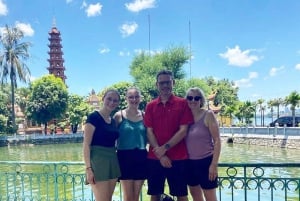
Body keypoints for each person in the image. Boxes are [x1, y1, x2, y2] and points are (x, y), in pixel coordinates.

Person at [144, 69, 194, 201]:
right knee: (154, 194)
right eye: (162, 83)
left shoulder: (183, 103)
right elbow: (149, 131)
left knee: (181, 194)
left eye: (168, 82)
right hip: (155, 158)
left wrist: (164, 149)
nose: (165, 85)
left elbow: (183, 130)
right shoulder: (150, 106)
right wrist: (160, 154)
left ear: (173, 82)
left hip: (178, 157)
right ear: (157, 85)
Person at [83, 89, 121, 201]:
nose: (112, 102)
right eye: (109, 99)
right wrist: (88, 169)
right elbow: (86, 145)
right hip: (98, 162)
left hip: (112, 160)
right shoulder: (93, 117)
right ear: (103, 99)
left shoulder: (113, 121)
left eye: (115, 100)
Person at [185, 87, 221, 201]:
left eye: (197, 98)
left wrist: (214, 164)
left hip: (206, 162)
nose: (193, 101)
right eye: (190, 98)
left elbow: (217, 140)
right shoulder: (184, 117)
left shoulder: (208, 115)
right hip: (189, 163)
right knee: (196, 197)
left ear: (201, 100)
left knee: (210, 198)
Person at [114, 86, 148, 201]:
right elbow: (110, 137)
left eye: (136, 96)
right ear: (126, 99)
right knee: (128, 197)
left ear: (140, 98)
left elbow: (150, 136)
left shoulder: (145, 116)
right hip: (124, 157)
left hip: (141, 156)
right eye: (131, 97)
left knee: (136, 196)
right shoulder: (119, 116)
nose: (134, 99)